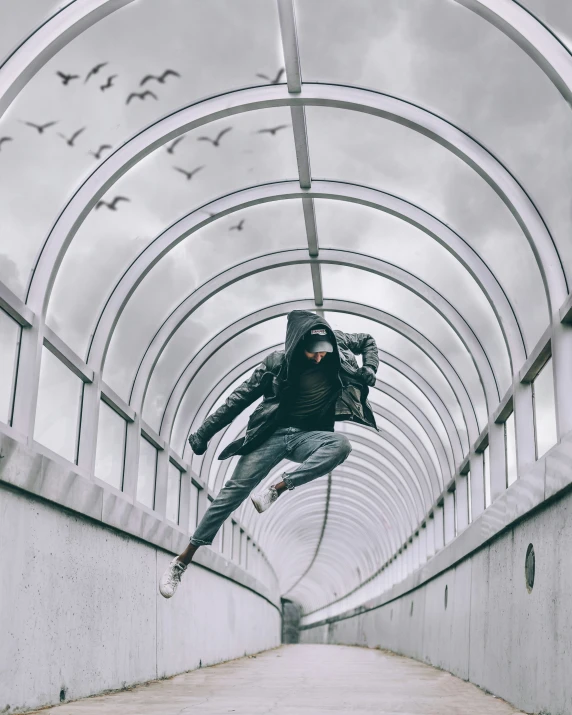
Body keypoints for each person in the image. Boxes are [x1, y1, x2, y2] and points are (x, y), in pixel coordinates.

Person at [159, 309, 379, 598]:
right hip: (270, 437)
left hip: (306, 438)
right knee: (231, 495)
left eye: (323, 352)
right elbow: (237, 400)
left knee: (341, 445)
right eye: (312, 353)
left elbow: (367, 341)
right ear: (297, 344)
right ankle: (182, 560)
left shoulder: (336, 346)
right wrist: (204, 434)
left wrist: (371, 367)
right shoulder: (275, 364)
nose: (318, 358)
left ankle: (277, 488)